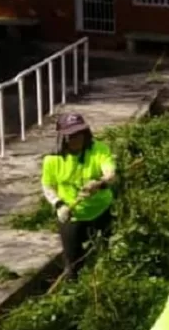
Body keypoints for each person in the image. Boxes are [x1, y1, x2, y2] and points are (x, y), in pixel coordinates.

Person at [41, 113, 116, 280]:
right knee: (74, 262)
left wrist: (98, 184)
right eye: (72, 136)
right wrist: (59, 204)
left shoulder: (98, 149)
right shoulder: (52, 160)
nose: (77, 139)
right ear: (63, 138)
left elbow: (110, 174)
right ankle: (74, 286)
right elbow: (47, 186)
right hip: (73, 215)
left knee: (107, 254)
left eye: (80, 134)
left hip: (101, 209)